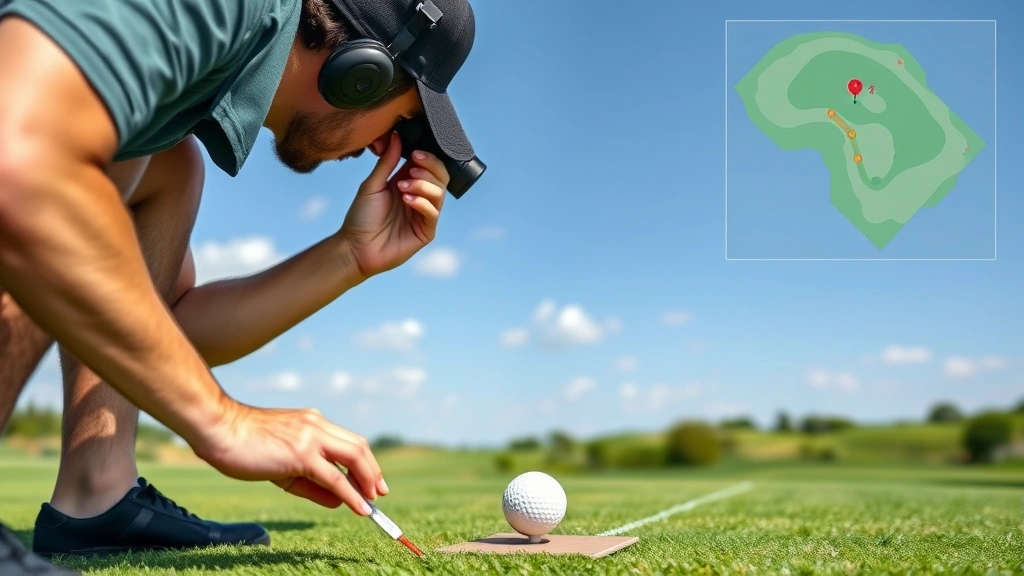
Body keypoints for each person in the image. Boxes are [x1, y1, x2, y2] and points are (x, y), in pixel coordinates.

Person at [0, 0, 480, 573]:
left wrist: (350, 256)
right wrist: (223, 421)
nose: (384, 149)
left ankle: (95, 493)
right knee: (64, 175)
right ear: (361, 71)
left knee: (167, 166)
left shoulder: (175, 116)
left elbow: (158, 325)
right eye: (402, 120)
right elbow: (18, 168)